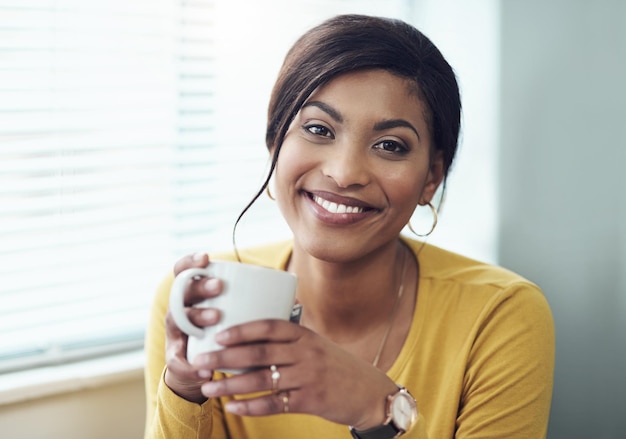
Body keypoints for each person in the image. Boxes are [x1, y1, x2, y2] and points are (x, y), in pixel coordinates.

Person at [144, 14, 554, 439]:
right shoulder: (200, 301)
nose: (344, 173)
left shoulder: (501, 315)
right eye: (319, 129)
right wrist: (185, 390)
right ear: (274, 146)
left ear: (431, 178)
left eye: (390, 145)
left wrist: (382, 411)